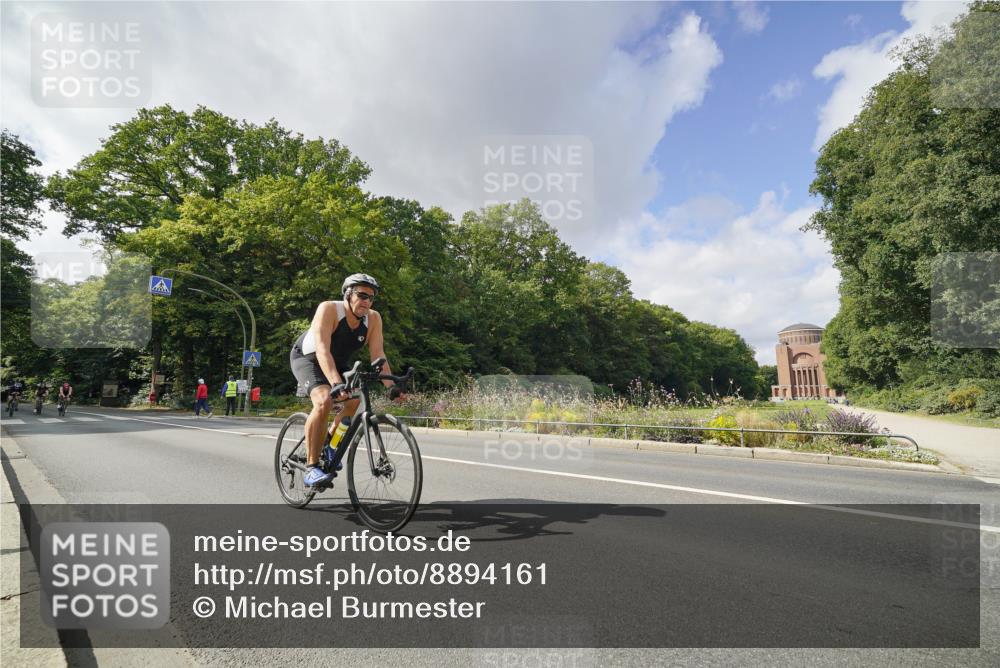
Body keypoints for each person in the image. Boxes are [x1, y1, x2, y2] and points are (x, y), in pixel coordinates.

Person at [289, 273, 406, 487]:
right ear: (348, 294)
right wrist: (336, 383)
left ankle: (331, 443)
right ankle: (312, 467)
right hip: (309, 358)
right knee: (324, 401)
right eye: (362, 295)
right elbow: (322, 349)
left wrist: (391, 386)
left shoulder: (373, 319)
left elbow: (378, 356)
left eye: (371, 298)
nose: (367, 302)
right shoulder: (329, 309)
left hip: (337, 361)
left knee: (353, 401)